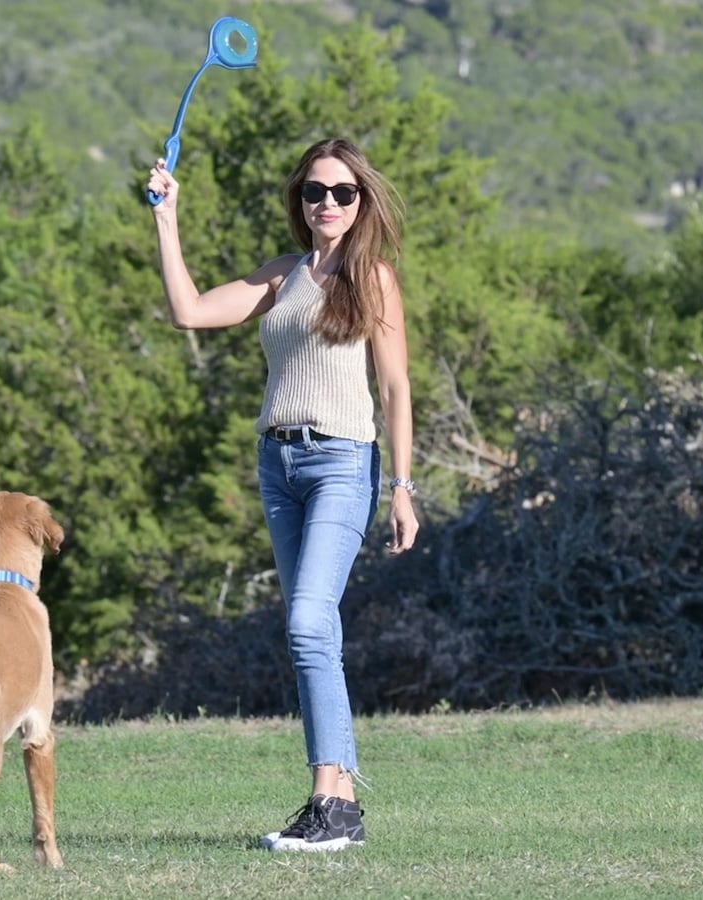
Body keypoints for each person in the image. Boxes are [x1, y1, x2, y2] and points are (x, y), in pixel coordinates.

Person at [146, 137, 419, 852]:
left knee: (304, 624)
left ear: (361, 201)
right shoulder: (284, 275)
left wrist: (402, 487)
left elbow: (394, 388)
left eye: (341, 192)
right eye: (313, 192)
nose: (326, 203)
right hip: (279, 466)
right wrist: (167, 219)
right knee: (314, 634)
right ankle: (337, 804)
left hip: (341, 464)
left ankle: (334, 803)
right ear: (298, 200)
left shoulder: (374, 280)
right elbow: (189, 312)